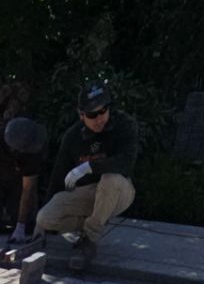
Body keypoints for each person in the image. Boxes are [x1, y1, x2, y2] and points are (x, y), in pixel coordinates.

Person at [34, 81, 139, 272]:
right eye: (92, 114)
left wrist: (90, 166)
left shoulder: (124, 125)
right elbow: (58, 176)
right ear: (81, 115)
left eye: (103, 110)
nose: (99, 118)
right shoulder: (73, 137)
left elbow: (126, 162)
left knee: (110, 179)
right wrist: (39, 229)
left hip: (119, 190)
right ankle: (93, 220)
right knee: (44, 218)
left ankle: (88, 240)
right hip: (88, 194)